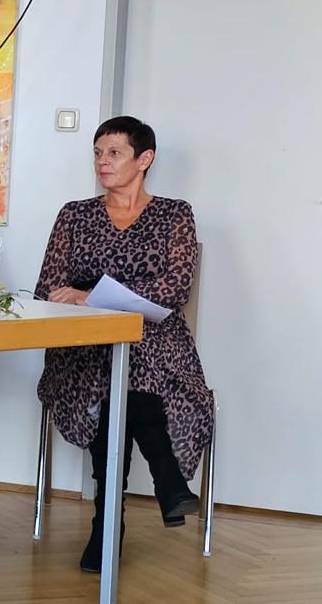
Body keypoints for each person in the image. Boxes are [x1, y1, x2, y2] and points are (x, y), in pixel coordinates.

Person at [35, 116, 213, 573]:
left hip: (158, 342)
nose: (102, 161)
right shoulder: (75, 215)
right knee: (113, 368)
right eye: (97, 153)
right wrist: (89, 302)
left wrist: (90, 293)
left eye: (114, 153)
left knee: (132, 358)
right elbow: (47, 288)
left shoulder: (175, 213)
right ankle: (167, 479)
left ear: (144, 159)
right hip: (84, 345)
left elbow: (176, 287)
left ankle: (107, 524)